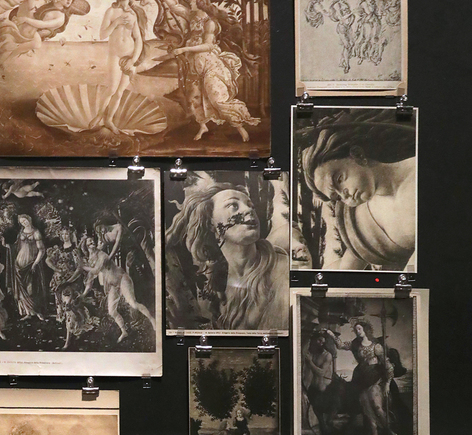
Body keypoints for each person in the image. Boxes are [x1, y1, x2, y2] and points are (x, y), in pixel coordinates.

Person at [299, 112, 416, 270]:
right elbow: (351, 263)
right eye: (337, 197)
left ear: (358, 155)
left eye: (339, 179)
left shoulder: (416, 173)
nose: (345, 195)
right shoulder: (359, 217)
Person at [166, 179, 288, 330]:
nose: (249, 210)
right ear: (211, 224)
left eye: (251, 205)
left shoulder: (282, 270)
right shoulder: (210, 286)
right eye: (233, 206)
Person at [172, 7, 260, 143]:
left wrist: (185, 49)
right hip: (194, 70)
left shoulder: (210, 25)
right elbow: (174, 7)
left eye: (198, 21)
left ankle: (239, 127)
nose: (194, 24)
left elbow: (208, 46)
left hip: (210, 67)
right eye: (193, 21)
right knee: (193, 98)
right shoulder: (193, 26)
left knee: (217, 99)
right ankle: (203, 127)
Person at [92, 0, 144, 135]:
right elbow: (102, 35)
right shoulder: (111, 11)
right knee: (112, 88)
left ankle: (109, 120)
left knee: (120, 92)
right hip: (115, 54)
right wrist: (116, 22)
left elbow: (138, 39)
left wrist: (133, 60)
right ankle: (99, 116)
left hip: (129, 56)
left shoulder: (133, 14)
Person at [81, 237, 155, 341]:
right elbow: (90, 279)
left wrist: (82, 267)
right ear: (86, 246)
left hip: (122, 279)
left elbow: (96, 270)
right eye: (89, 241)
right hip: (113, 285)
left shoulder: (101, 254)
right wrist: (83, 294)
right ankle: (124, 331)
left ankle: (153, 320)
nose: (92, 241)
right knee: (111, 311)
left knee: (133, 304)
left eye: (93, 240)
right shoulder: (91, 260)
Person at [7, 213, 49, 320]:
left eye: (25, 220)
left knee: (31, 289)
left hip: (30, 264)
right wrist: (8, 246)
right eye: (21, 222)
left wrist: (35, 263)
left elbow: (42, 250)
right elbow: (16, 247)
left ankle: (37, 311)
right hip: (18, 264)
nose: (24, 223)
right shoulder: (21, 232)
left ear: (29, 219)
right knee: (21, 289)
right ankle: (28, 312)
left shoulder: (36, 233)